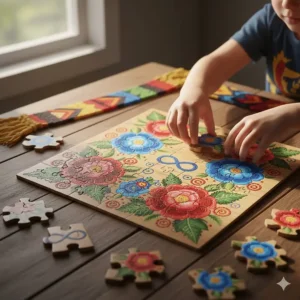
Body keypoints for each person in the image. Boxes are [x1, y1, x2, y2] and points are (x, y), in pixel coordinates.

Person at [166, 0, 300, 164]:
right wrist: (193, 89)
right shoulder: (272, 18)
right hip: (280, 133)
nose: (287, 3)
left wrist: (292, 115)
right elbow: (219, 61)